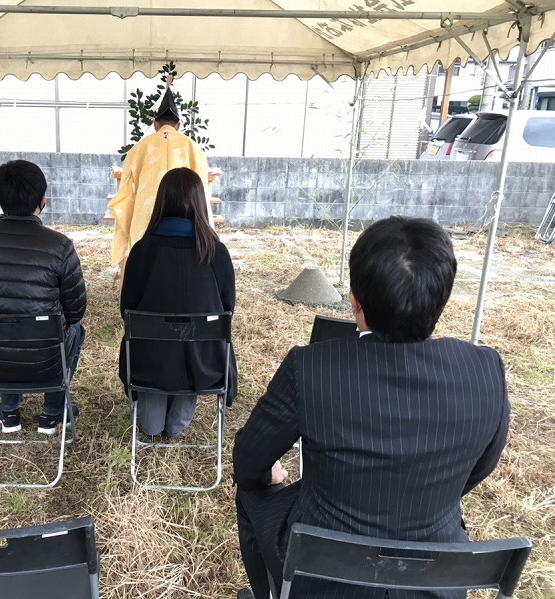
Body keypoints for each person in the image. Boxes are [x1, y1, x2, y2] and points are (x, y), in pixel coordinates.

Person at [233, 216, 510, 599]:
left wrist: (271, 477)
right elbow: (480, 467)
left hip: (321, 576)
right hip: (434, 576)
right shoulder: (484, 369)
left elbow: (248, 463)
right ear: (442, 297)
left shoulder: (311, 367)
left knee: (251, 494)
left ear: (353, 298)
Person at [0, 160, 87, 435]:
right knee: (76, 330)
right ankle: (53, 412)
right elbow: (75, 311)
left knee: (0, 322)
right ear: (43, 200)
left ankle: (9, 412)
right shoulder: (60, 245)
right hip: (45, 360)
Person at [119, 167, 237, 438]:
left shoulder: (142, 251)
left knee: (151, 428)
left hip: (149, 362)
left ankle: (157, 419)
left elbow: (127, 310)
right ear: (200, 203)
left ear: (162, 201)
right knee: (174, 428)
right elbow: (227, 309)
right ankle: (177, 422)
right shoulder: (216, 253)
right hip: (204, 364)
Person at [109, 86, 211, 281]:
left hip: (146, 217)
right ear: (178, 125)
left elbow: (125, 194)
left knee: (143, 263)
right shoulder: (193, 148)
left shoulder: (138, 148)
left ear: (155, 124)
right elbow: (202, 191)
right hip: (186, 218)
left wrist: (129, 225)